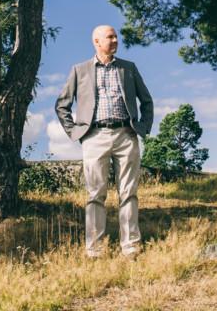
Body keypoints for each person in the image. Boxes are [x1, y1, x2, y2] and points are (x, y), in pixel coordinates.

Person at [54, 24, 154, 258]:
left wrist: (142, 128)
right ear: (96, 42)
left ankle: (130, 246)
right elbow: (62, 105)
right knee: (95, 194)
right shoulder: (80, 70)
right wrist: (76, 132)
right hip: (94, 137)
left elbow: (146, 101)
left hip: (126, 135)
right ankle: (95, 249)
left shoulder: (129, 68)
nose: (115, 40)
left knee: (128, 192)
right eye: (110, 37)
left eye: (116, 36)